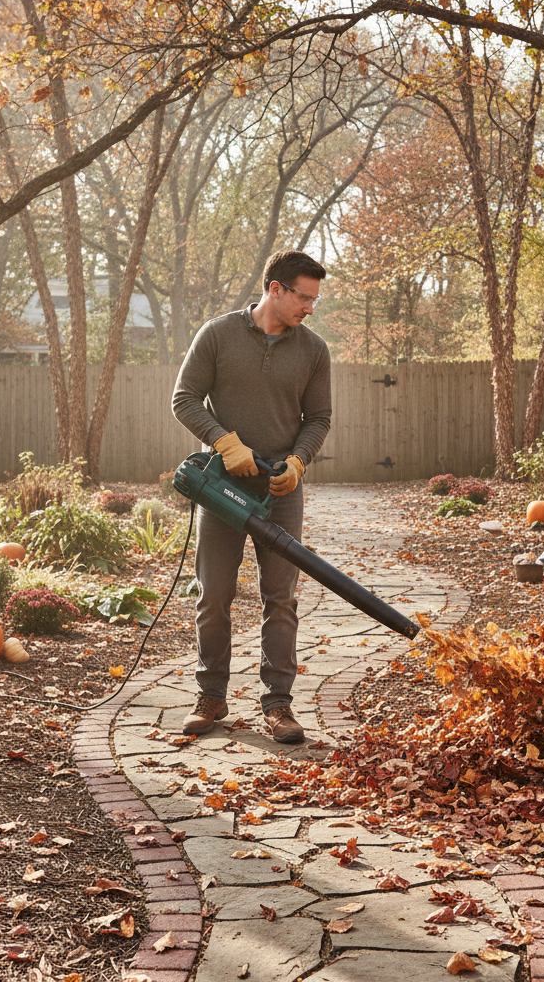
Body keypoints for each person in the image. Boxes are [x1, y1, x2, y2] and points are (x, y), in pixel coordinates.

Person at [171, 250, 331, 743]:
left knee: (280, 597)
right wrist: (225, 442)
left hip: (281, 490)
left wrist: (299, 461)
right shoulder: (217, 335)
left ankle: (278, 706)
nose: (310, 308)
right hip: (222, 486)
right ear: (276, 289)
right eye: (304, 297)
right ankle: (211, 697)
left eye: (315, 300)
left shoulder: (313, 349)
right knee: (214, 594)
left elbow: (318, 419)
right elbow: (184, 399)